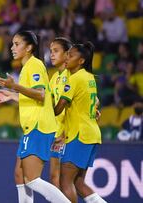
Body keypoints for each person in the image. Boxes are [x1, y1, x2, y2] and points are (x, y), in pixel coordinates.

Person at [0, 31, 70, 203]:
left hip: (39, 126)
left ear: (29, 48)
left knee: (32, 179)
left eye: (17, 44)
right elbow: (35, 98)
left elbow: (41, 94)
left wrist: (15, 86)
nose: (12, 47)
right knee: (19, 175)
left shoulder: (34, 65)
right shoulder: (27, 67)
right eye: (12, 44)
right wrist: (12, 95)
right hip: (31, 127)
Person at [54, 42, 107, 203]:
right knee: (77, 182)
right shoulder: (90, 77)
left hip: (80, 135)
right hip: (91, 134)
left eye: (71, 55)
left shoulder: (75, 79)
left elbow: (58, 109)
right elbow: (94, 102)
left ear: (81, 60)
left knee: (65, 182)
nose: (66, 58)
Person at [48, 37, 72, 188]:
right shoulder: (54, 77)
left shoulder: (71, 75)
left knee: (66, 180)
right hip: (56, 133)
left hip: (68, 134)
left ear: (67, 54)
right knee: (54, 177)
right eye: (50, 51)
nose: (51, 54)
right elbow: (48, 104)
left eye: (56, 51)